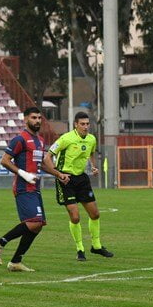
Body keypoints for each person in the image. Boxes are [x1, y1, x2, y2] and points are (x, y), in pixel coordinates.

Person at [0, 107, 70, 272]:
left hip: (35, 187)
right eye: (34, 117)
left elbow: (42, 164)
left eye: (39, 118)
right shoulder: (20, 139)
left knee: (38, 225)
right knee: (34, 223)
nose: (38, 121)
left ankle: (15, 261)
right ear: (25, 119)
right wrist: (23, 173)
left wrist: (58, 174)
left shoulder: (40, 140)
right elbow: (4, 161)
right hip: (22, 186)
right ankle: (0, 242)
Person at [49, 111, 113, 261]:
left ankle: (96, 246)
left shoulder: (91, 139)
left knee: (95, 214)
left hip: (82, 179)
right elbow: (48, 155)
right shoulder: (66, 139)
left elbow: (90, 153)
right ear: (75, 125)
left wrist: (93, 166)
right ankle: (80, 249)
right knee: (75, 217)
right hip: (66, 180)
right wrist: (58, 174)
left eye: (87, 124)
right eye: (82, 124)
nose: (85, 127)